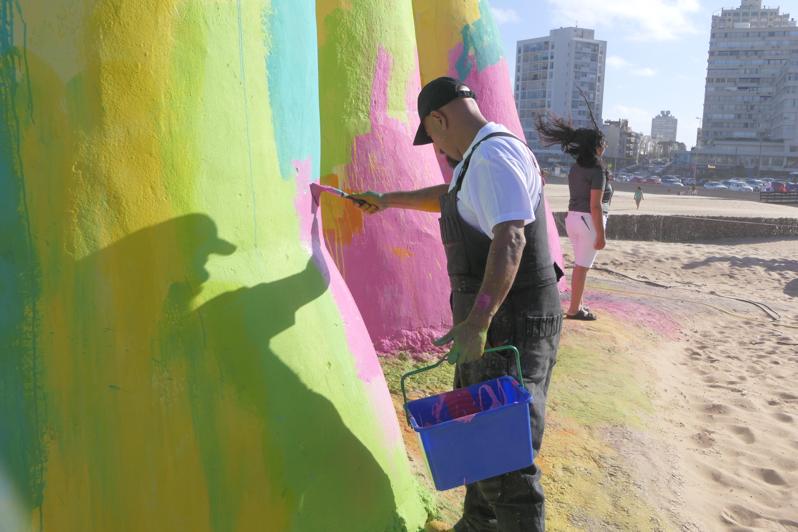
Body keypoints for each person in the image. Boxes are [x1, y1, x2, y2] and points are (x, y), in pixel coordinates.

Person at [351, 77, 562, 532]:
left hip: (509, 325)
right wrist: (388, 201)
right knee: (478, 435)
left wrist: (478, 323)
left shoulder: (492, 157)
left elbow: (511, 239)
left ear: (439, 119)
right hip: (498, 322)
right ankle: (477, 524)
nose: (438, 148)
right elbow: (452, 199)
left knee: (503, 455)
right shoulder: (478, 159)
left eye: (433, 137)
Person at [535, 115, 610, 321]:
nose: (604, 147)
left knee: (579, 265)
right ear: (596, 147)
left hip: (573, 219)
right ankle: (574, 308)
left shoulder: (576, 167)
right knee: (582, 267)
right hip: (588, 221)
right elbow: (595, 205)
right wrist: (601, 235)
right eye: (603, 144)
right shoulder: (598, 170)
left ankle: (577, 304)